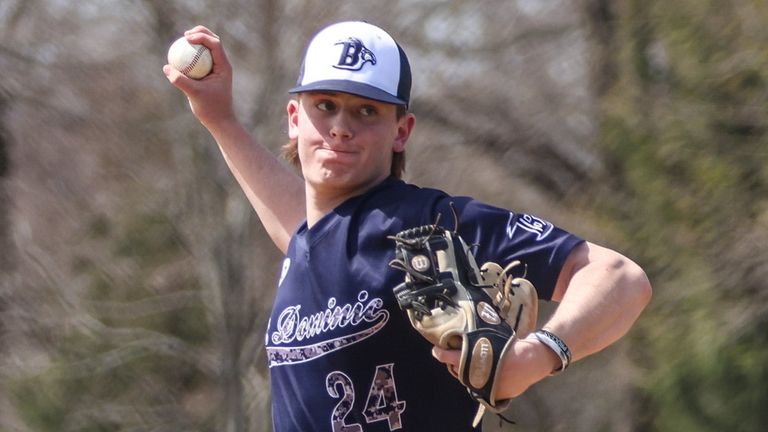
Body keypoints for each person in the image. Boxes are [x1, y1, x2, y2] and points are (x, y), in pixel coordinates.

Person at [164, 20, 652, 432]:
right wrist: (220, 120)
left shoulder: (428, 225)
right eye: (325, 105)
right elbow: (302, 225)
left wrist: (539, 354)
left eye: (366, 110)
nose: (340, 126)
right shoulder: (309, 238)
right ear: (295, 118)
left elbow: (618, 277)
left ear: (402, 131)